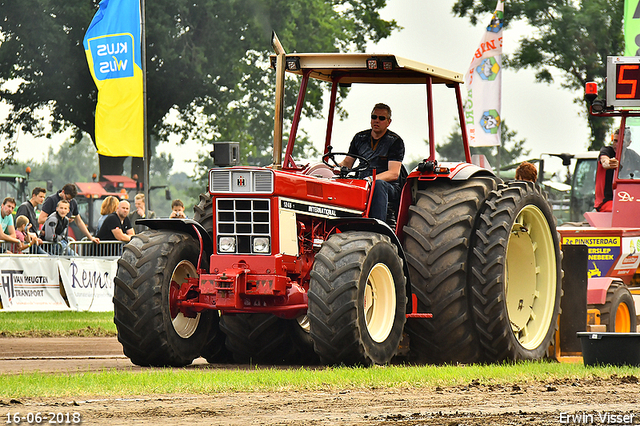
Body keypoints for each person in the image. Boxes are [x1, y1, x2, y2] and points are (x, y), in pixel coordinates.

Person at [338, 103, 405, 221]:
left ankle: (377, 226)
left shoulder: (395, 142)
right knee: (341, 182)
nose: (377, 121)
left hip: (387, 186)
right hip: (362, 182)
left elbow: (393, 173)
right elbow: (347, 164)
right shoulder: (360, 138)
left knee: (378, 185)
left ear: (388, 122)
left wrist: (371, 179)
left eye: (381, 118)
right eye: (374, 117)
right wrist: (331, 168)